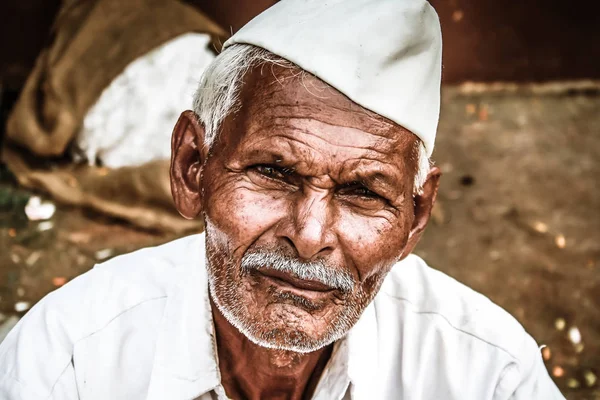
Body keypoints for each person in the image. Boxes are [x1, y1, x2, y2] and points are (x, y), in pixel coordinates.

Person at [0, 0, 564, 399]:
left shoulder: (486, 375)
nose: (311, 233)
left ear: (416, 217)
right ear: (193, 167)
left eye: (364, 192)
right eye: (274, 173)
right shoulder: (69, 363)